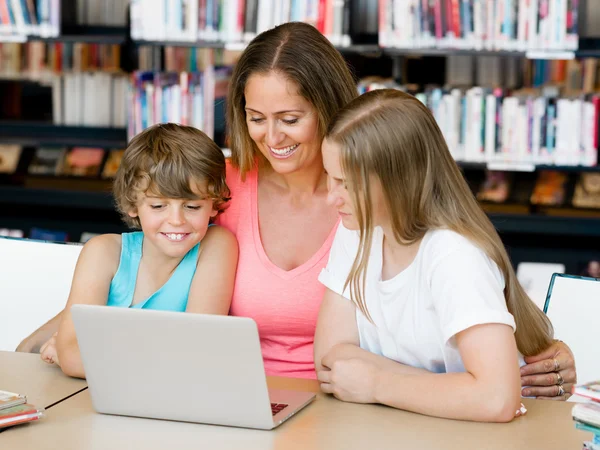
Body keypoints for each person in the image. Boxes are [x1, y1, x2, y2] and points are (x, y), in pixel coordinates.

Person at [19, 22, 576, 398]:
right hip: (221, 397)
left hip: (338, 403)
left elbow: (466, 280)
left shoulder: (368, 197)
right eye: (255, 117)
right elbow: (146, 270)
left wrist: (549, 351)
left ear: (328, 106)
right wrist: (59, 334)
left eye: (290, 117)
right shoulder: (218, 188)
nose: (269, 137)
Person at [313, 89, 570, 422]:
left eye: (346, 184)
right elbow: (331, 362)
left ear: (397, 182)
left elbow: (496, 398)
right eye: (329, 179)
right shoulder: (356, 231)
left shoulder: (454, 255)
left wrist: (376, 383)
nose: (331, 198)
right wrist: (451, 389)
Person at [36, 123, 238, 378]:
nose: (176, 220)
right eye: (157, 206)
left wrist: (97, 352)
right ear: (133, 203)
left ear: (214, 205)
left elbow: (195, 353)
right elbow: (73, 359)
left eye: (192, 207)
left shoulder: (217, 245)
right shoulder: (103, 253)